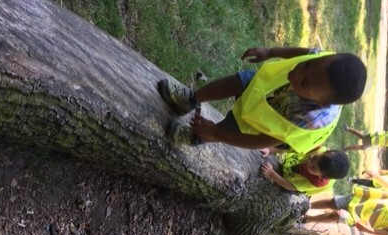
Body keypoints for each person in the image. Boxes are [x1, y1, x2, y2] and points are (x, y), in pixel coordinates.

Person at [157, 46, 367, 154]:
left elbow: (262, 141)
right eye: (305, 66)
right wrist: (270, 52)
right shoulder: (325, 63)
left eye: (304, 84)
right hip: (265, 86)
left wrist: (217, 133)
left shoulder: (310, 119)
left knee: (231, 127)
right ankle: (191, 100)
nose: (295, 74)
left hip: (260, 124)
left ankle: (200, 136)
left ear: (322, 103)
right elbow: (303, 52)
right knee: (236, 82)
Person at [259, 147, 350, 196]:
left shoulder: (315, 182)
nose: (309, 162)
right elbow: (293, 147)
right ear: (326, 151)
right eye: (315, 157)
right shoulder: (318, 149)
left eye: (313, 168)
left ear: (321, 176)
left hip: (296, 183)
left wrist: (272, 174)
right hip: (291, 164)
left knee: (285, 191)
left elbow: (290, 186)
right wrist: (271, 150)